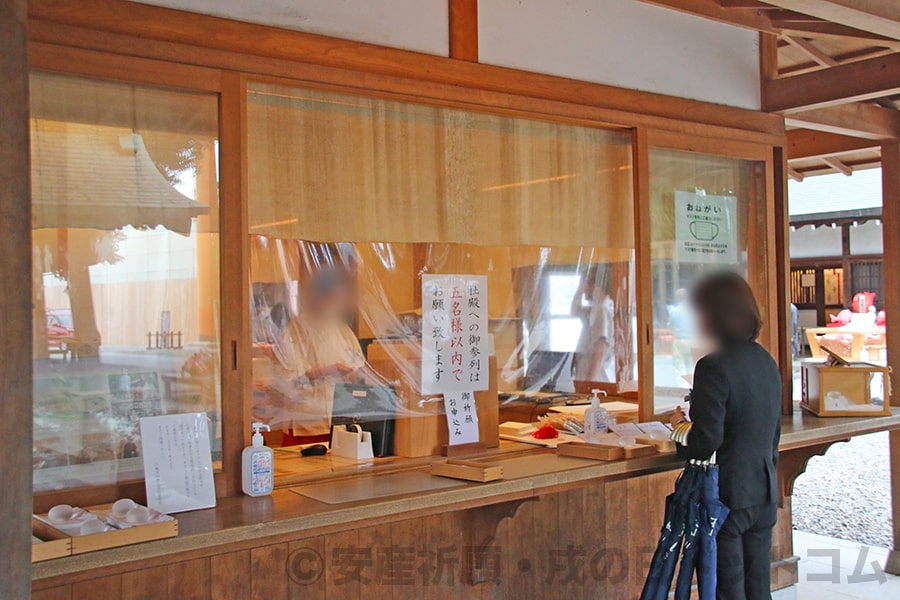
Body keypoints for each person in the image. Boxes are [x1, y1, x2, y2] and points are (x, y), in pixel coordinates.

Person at [669, 272, 782, 600]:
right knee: (759, 588)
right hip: (763, 491)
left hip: (728, 498)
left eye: (699, 310)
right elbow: (770, 430)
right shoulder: (765, 361)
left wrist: (679, 426)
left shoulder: (712, 367)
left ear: (713, 314)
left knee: (728, 590)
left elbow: (706, 441)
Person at [571, 266, 616, 383]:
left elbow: (599, 351)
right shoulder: (595, 309)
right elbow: (574, 310)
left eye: (587, 283)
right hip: (590, 378)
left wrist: (588, 383)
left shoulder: (601, 310)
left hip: (596, 380)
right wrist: (581, 286)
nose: (585, 289)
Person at [668, 288, 696, 379]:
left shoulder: (675, 311)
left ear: (677, 298)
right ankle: (691, 388)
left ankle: (681, 388)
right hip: (693, 340)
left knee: (679, 367)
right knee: (691, 366)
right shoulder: (694, 311)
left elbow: (670, 324)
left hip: (680, 341)